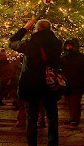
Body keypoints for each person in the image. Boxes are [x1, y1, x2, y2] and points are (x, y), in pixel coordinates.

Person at [8, 17, 62, 146]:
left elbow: (11, 42)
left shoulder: (30, 43)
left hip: (31, 84)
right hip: (50, 83)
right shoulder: (58, 43)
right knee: (52, 116)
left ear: (37, 29)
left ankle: (32, 143)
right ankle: (52, 143)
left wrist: (25, 28)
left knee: (31, 117)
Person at [60, 39, 84, 127]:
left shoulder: (80, 58)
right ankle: (72, 117)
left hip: (77, 83)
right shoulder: (64, 57)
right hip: (68, 82)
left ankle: (74, 119)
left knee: (75, 101)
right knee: (70, 102)